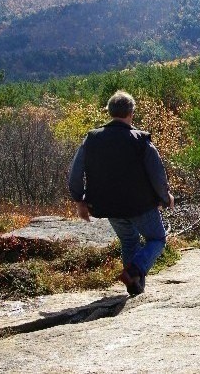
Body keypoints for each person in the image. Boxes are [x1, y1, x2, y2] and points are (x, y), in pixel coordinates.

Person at [68, 91, 174, 296]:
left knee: (129, 241)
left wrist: (79, 201)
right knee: (157, 239)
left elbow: (75, 172)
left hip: (108, 206)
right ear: (131, 113)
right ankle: (134, 271)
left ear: (109, 112)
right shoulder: (141, 140)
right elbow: (157, 174)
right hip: (140, 205)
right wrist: (165, 196)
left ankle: (134, 285)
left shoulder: (91, 139)